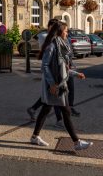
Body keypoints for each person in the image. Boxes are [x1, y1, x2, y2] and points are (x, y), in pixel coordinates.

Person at [29, 22, 92, 151]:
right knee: (66, 111)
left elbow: (62, 68)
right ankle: (76, 142)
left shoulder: (62, 46)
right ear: (59, 32)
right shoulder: (52, 46)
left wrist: (76, 74)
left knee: (46, 110)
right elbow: (45, 66)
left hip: (59, 84)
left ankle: (35, 136)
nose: (67, 33)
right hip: (55, 86)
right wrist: (52, 83)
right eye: (66, 31)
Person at [26, 18, 60, 120]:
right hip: (49, 69)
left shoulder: (47, 36)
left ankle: (33, 109)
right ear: (50, 26)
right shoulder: (46, 37)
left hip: (53, 68)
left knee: (51, 95)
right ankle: (60, 120)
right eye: (55, 27)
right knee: (54, 95)